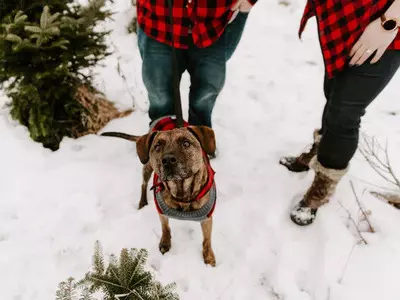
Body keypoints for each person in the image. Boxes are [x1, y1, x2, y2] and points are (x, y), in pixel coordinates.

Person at [280, 0, 400, 226]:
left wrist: (390, 22)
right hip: (339, 15)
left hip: (384, 24)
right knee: (333, 93)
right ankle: (321, 149)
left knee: (344, 112)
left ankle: (323, 185)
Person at [136, 0, 256, 134]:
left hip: (215, 24)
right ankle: (163, 139)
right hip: (158, 22)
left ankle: (199, 139)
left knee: (205, 95)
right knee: (159, 94)